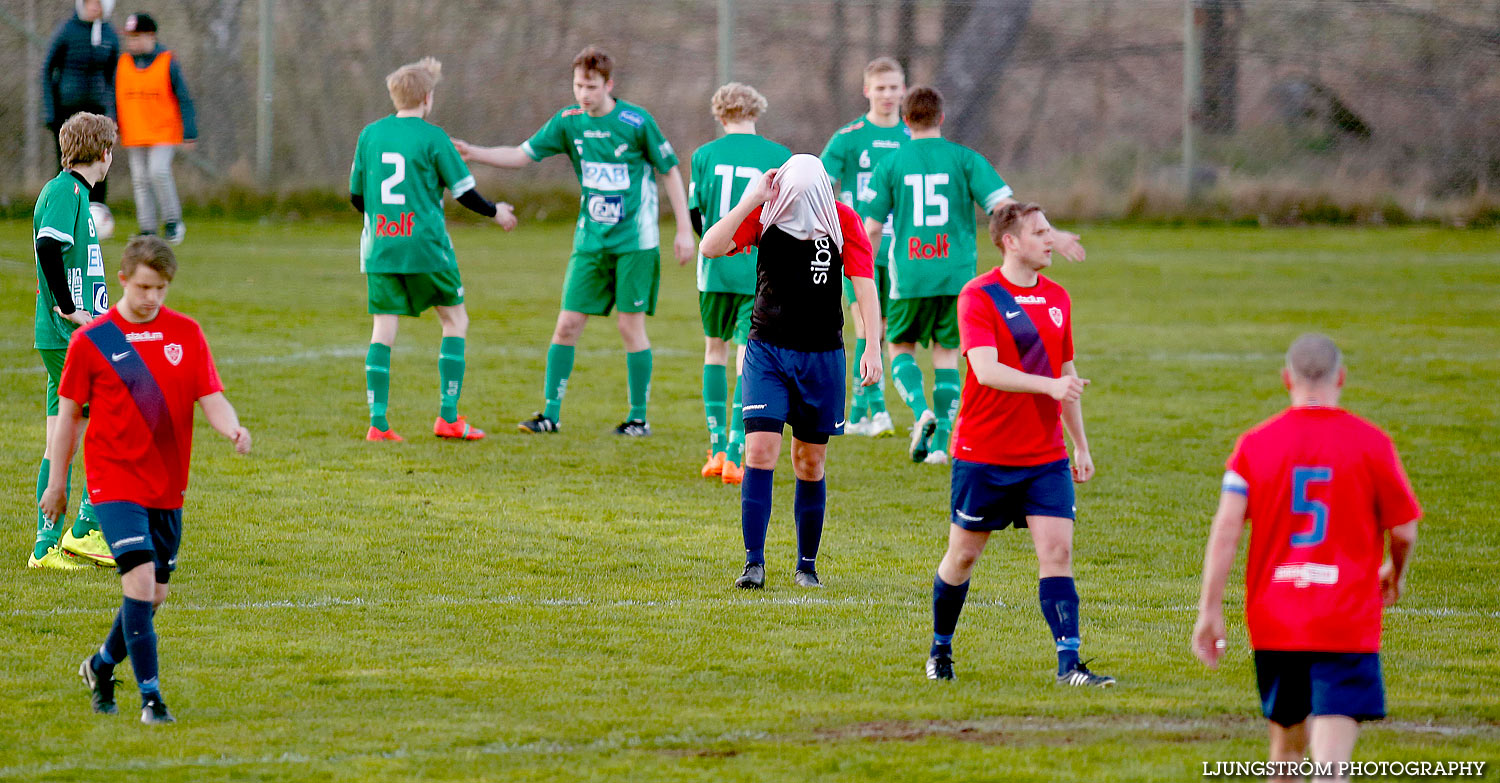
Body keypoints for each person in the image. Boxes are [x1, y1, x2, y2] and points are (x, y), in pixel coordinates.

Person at [39, 235, 252, 724]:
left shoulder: (187, 333)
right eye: (143, 287)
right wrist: (57, 483)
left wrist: (232, 427)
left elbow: (210, 394)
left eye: (161, 288)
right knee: (137, 580)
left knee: (154, 594)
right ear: (123, 280)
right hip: (114, 483)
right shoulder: (92, 340)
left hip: (167, 485)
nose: (152, 297)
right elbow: (68, 417)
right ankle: (151, 699)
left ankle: (99, 665)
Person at [1192, 334, 1421, 780]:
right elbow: (1405, 530)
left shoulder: (1254, 445)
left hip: (1277, 617)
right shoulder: (1372, 443)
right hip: (1346, 617)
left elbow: (1225, 531)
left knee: (1285, 758)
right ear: (1341, 378)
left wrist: (1209, 609)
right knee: (1331, 765)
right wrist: (1395, 569)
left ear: (1286, 380)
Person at [455, 46, 695, 436]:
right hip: (590, 242)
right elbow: (521, 155)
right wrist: (473, 153)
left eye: (591, 86)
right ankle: (549, 414)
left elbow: (669, 171)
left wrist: (684, 229)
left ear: (609, 84)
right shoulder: (569, 122)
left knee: (629, 328)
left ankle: (638, 419)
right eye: (578, 85)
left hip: (636, 243)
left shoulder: (636, 122)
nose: (583, 93)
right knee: (566, 324)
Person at [924, 202, 1112, 688]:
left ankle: (1070, 664)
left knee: (1058, 554)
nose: (1052, 240)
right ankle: (940, 649)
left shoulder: (1059, 298)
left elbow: (1066, 376)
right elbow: (985, 370)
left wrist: (1081, 445)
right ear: (1010, 241)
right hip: (983, 453)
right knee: (962, 558)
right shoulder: (978, 296)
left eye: (1051, 230)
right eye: (1040, 232)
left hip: (1044, 457)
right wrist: (1047, 386)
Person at [859, 86, 1085, 465]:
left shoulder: (891, 164)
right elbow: (1006, 207)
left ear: (905, 120)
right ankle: (942, 442)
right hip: (957, 276)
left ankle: (920, 412)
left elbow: (871, 228)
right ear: (941, 118)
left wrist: (859, 265)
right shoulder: (964, 159)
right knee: (948, 355)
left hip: (910, 277)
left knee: (900, 348)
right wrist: (1051, 234)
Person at [700, 154, 882, 589]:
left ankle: (806, 565)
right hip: (767, 351)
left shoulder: (843, 223)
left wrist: (871, 345)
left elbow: (865, 287)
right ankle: (754, 563)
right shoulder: (765, 215)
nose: (796, 204)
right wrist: (749, 201)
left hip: (822, 357)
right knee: (759, 451)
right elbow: (710, 246)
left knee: (809, 460)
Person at [350, 57, 518, 442]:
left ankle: (378, 423)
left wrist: (383, 220)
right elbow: (465, 194)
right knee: (454, 321)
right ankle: (448, 417)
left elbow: (357, 196)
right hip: (426, 248)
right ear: (428, 99)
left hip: (381, 248)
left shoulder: (370, 135)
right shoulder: (434, 138)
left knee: (383, 328)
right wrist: (497, 212)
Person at [687, 83, 790, 485]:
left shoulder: (703, 155)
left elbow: (699, 218)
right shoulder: (779, 156)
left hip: (714, 270)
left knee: (715, 351)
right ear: (756, 112)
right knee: (749, 358)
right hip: (757, 272)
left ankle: (714, 448)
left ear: (719, 114)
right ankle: (733, 450)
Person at [29, 112, 118, 571]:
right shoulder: (66, 191)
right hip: (69, 335)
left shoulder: (74, 192)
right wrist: (68, 307)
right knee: (115, 416)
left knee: (57, 440)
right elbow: (47, 246)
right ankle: (84, 529)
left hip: (69, 335)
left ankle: (44, 549)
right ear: (104, 153)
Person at [819, 56, 909, 438]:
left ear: (904, 90)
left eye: (894, 87)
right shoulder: (848, 137)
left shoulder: (912, 138)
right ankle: (879, 411)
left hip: (903, 250)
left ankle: (857, 414)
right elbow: (820, 184)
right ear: (866, 90)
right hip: (858, 247)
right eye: (880, 88)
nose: (888, 95)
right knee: (864, 327)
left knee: (882, 329)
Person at [116, 11, 195, 244]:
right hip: (135, 131)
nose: (133, 42)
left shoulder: (166, 61)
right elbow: (114, 97)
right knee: (140, 179)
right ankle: (147, 228)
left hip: (163, 131)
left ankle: (173, 222)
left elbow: (184, 97)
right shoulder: (124, 63)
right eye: (130, 37)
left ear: (151, 36)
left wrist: (190, 132)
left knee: (158, 172)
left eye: (138, 37)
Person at [42, 0, 119, 231]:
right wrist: (51, 112)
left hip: (98, 111)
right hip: (68, 111)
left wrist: (112, 112)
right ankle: (64, 212)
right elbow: (48, 69)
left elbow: (113, 76)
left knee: (98, 160)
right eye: (89, 3)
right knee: (68, 163)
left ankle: (95, 214)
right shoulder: (67, 31)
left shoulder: (109, 35)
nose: (94, 7)